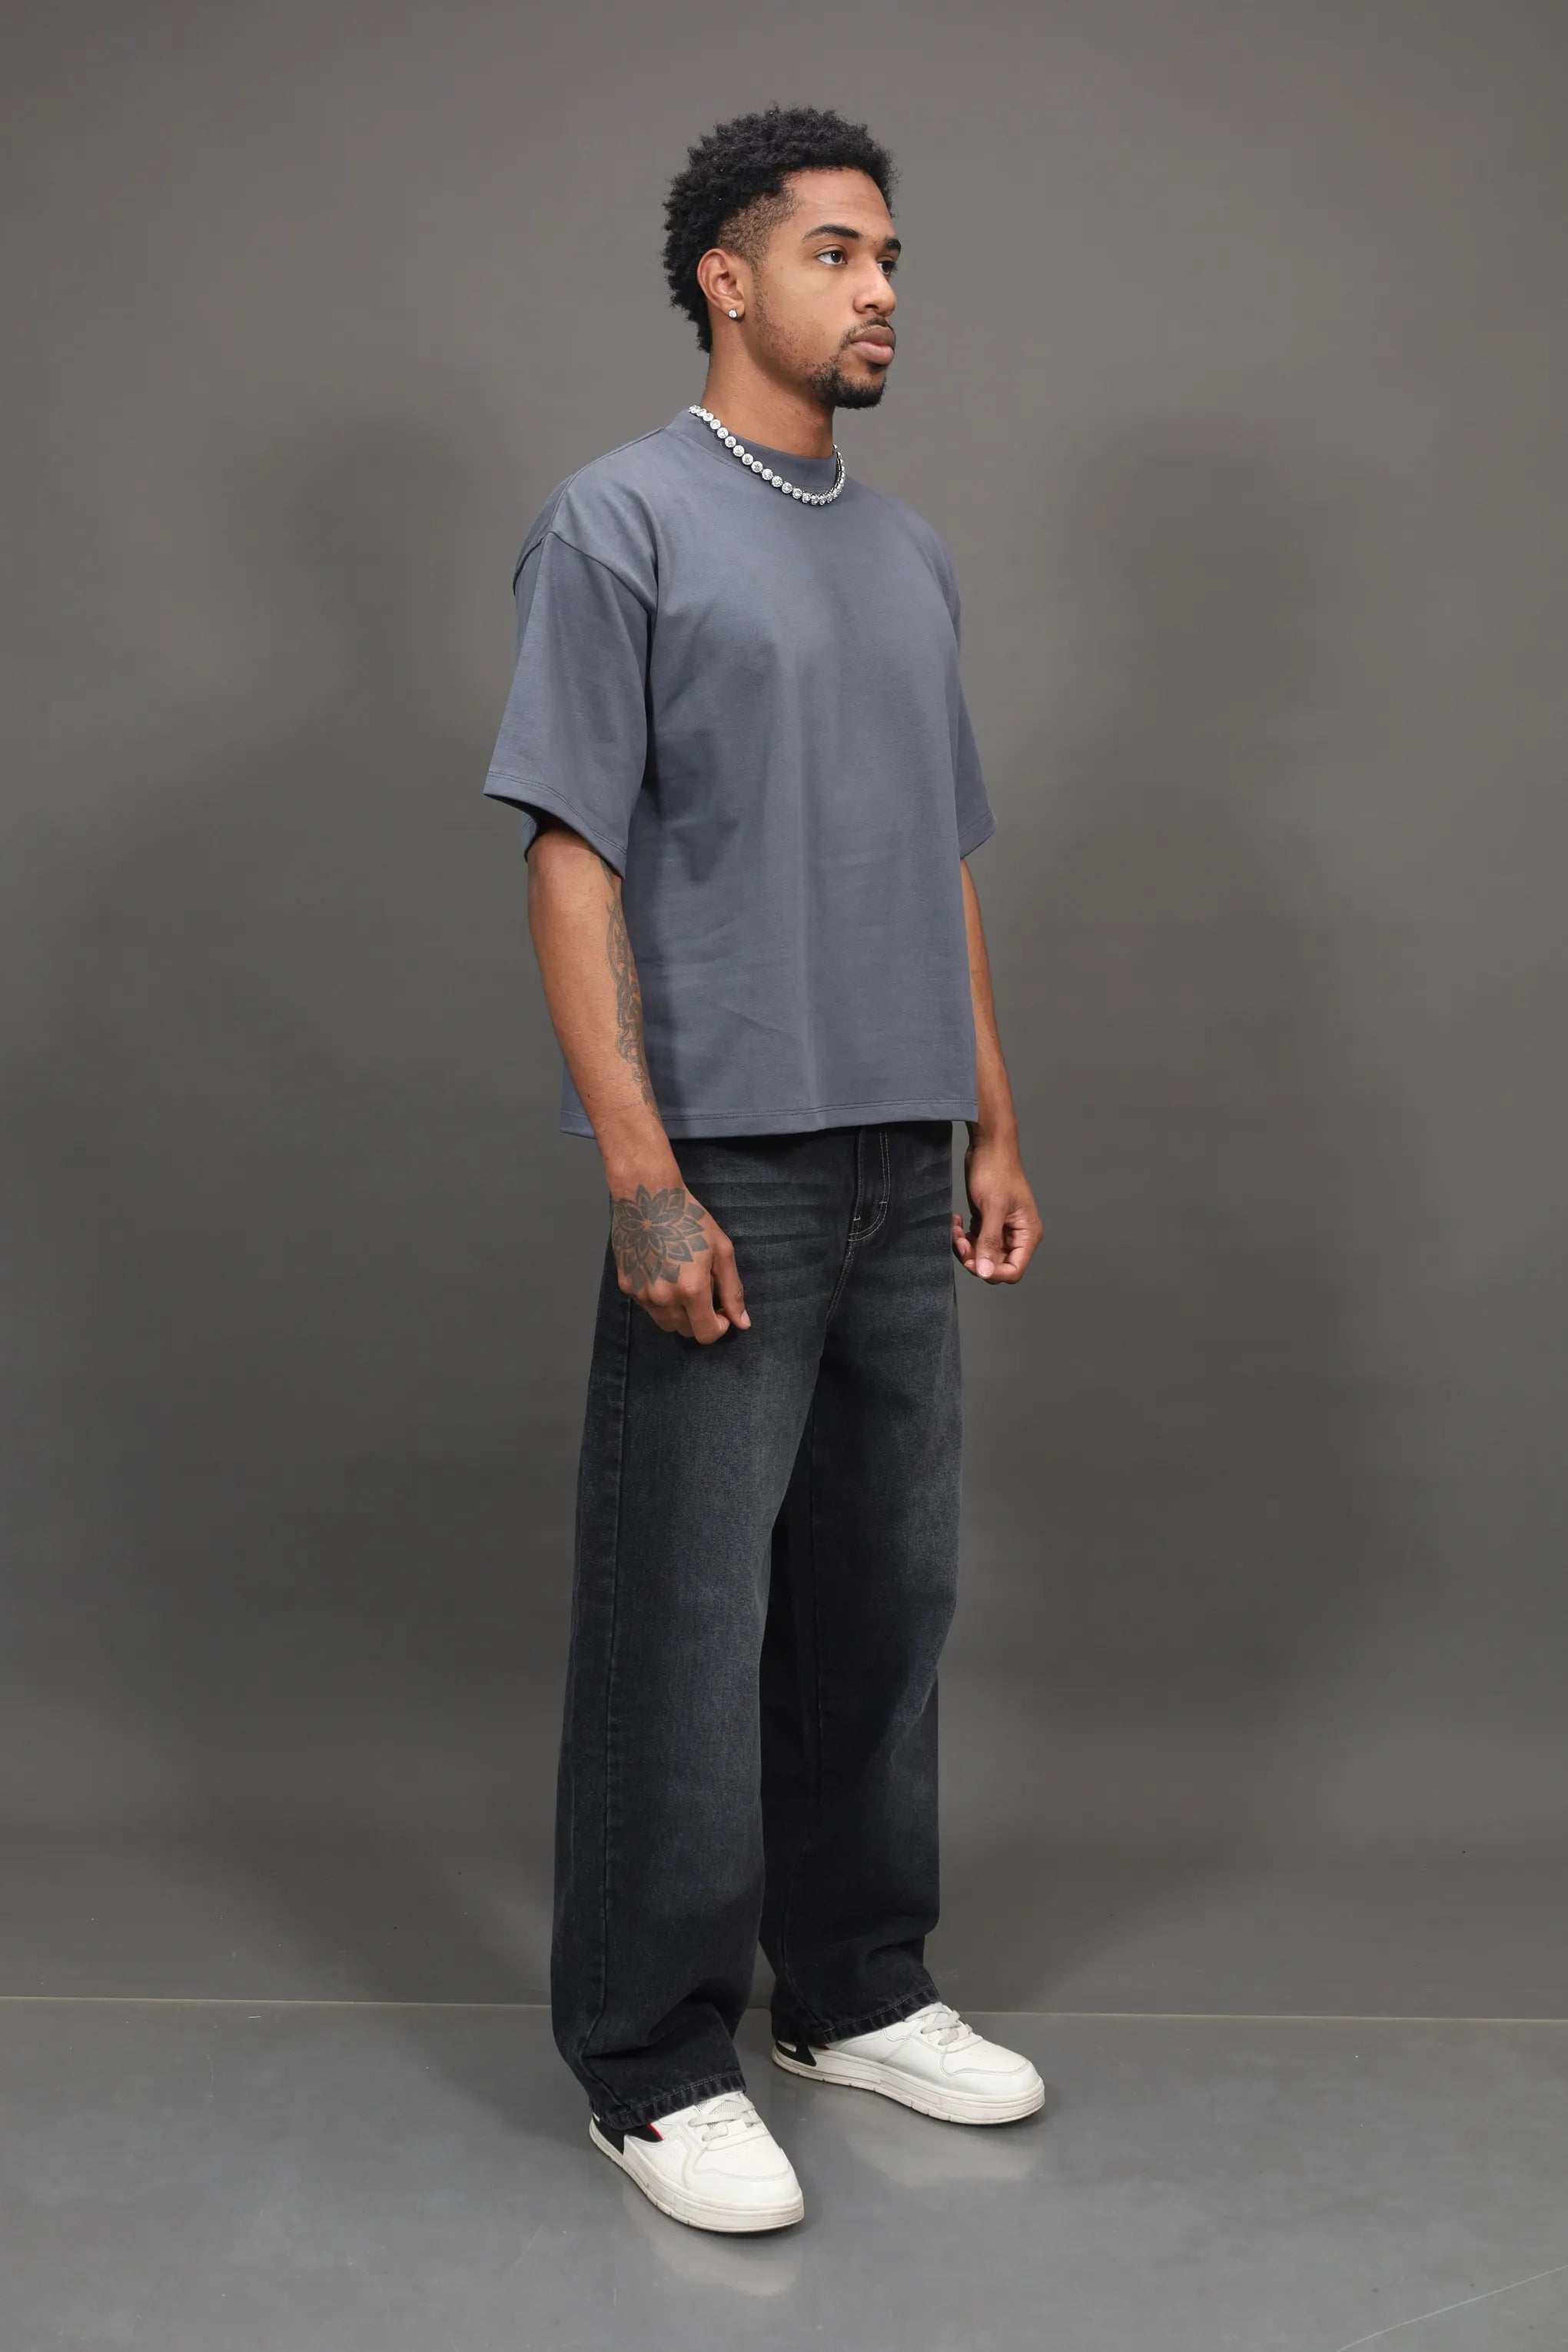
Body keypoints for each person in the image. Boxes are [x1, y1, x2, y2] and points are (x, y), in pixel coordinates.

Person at [481, 102, 1045, 2234]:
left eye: (891, 256)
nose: (882, 289)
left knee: (881, 1609)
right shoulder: (618, 521)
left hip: (904, 1152)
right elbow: (570, 853)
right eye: (836, 253)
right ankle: (649, 2060)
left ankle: (859, 1986)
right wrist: (640, 1167)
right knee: (686, 1624)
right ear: (727, 278)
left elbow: (940, 858)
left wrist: (993, 1114)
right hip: (730, 1160)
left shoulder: (908, 555)